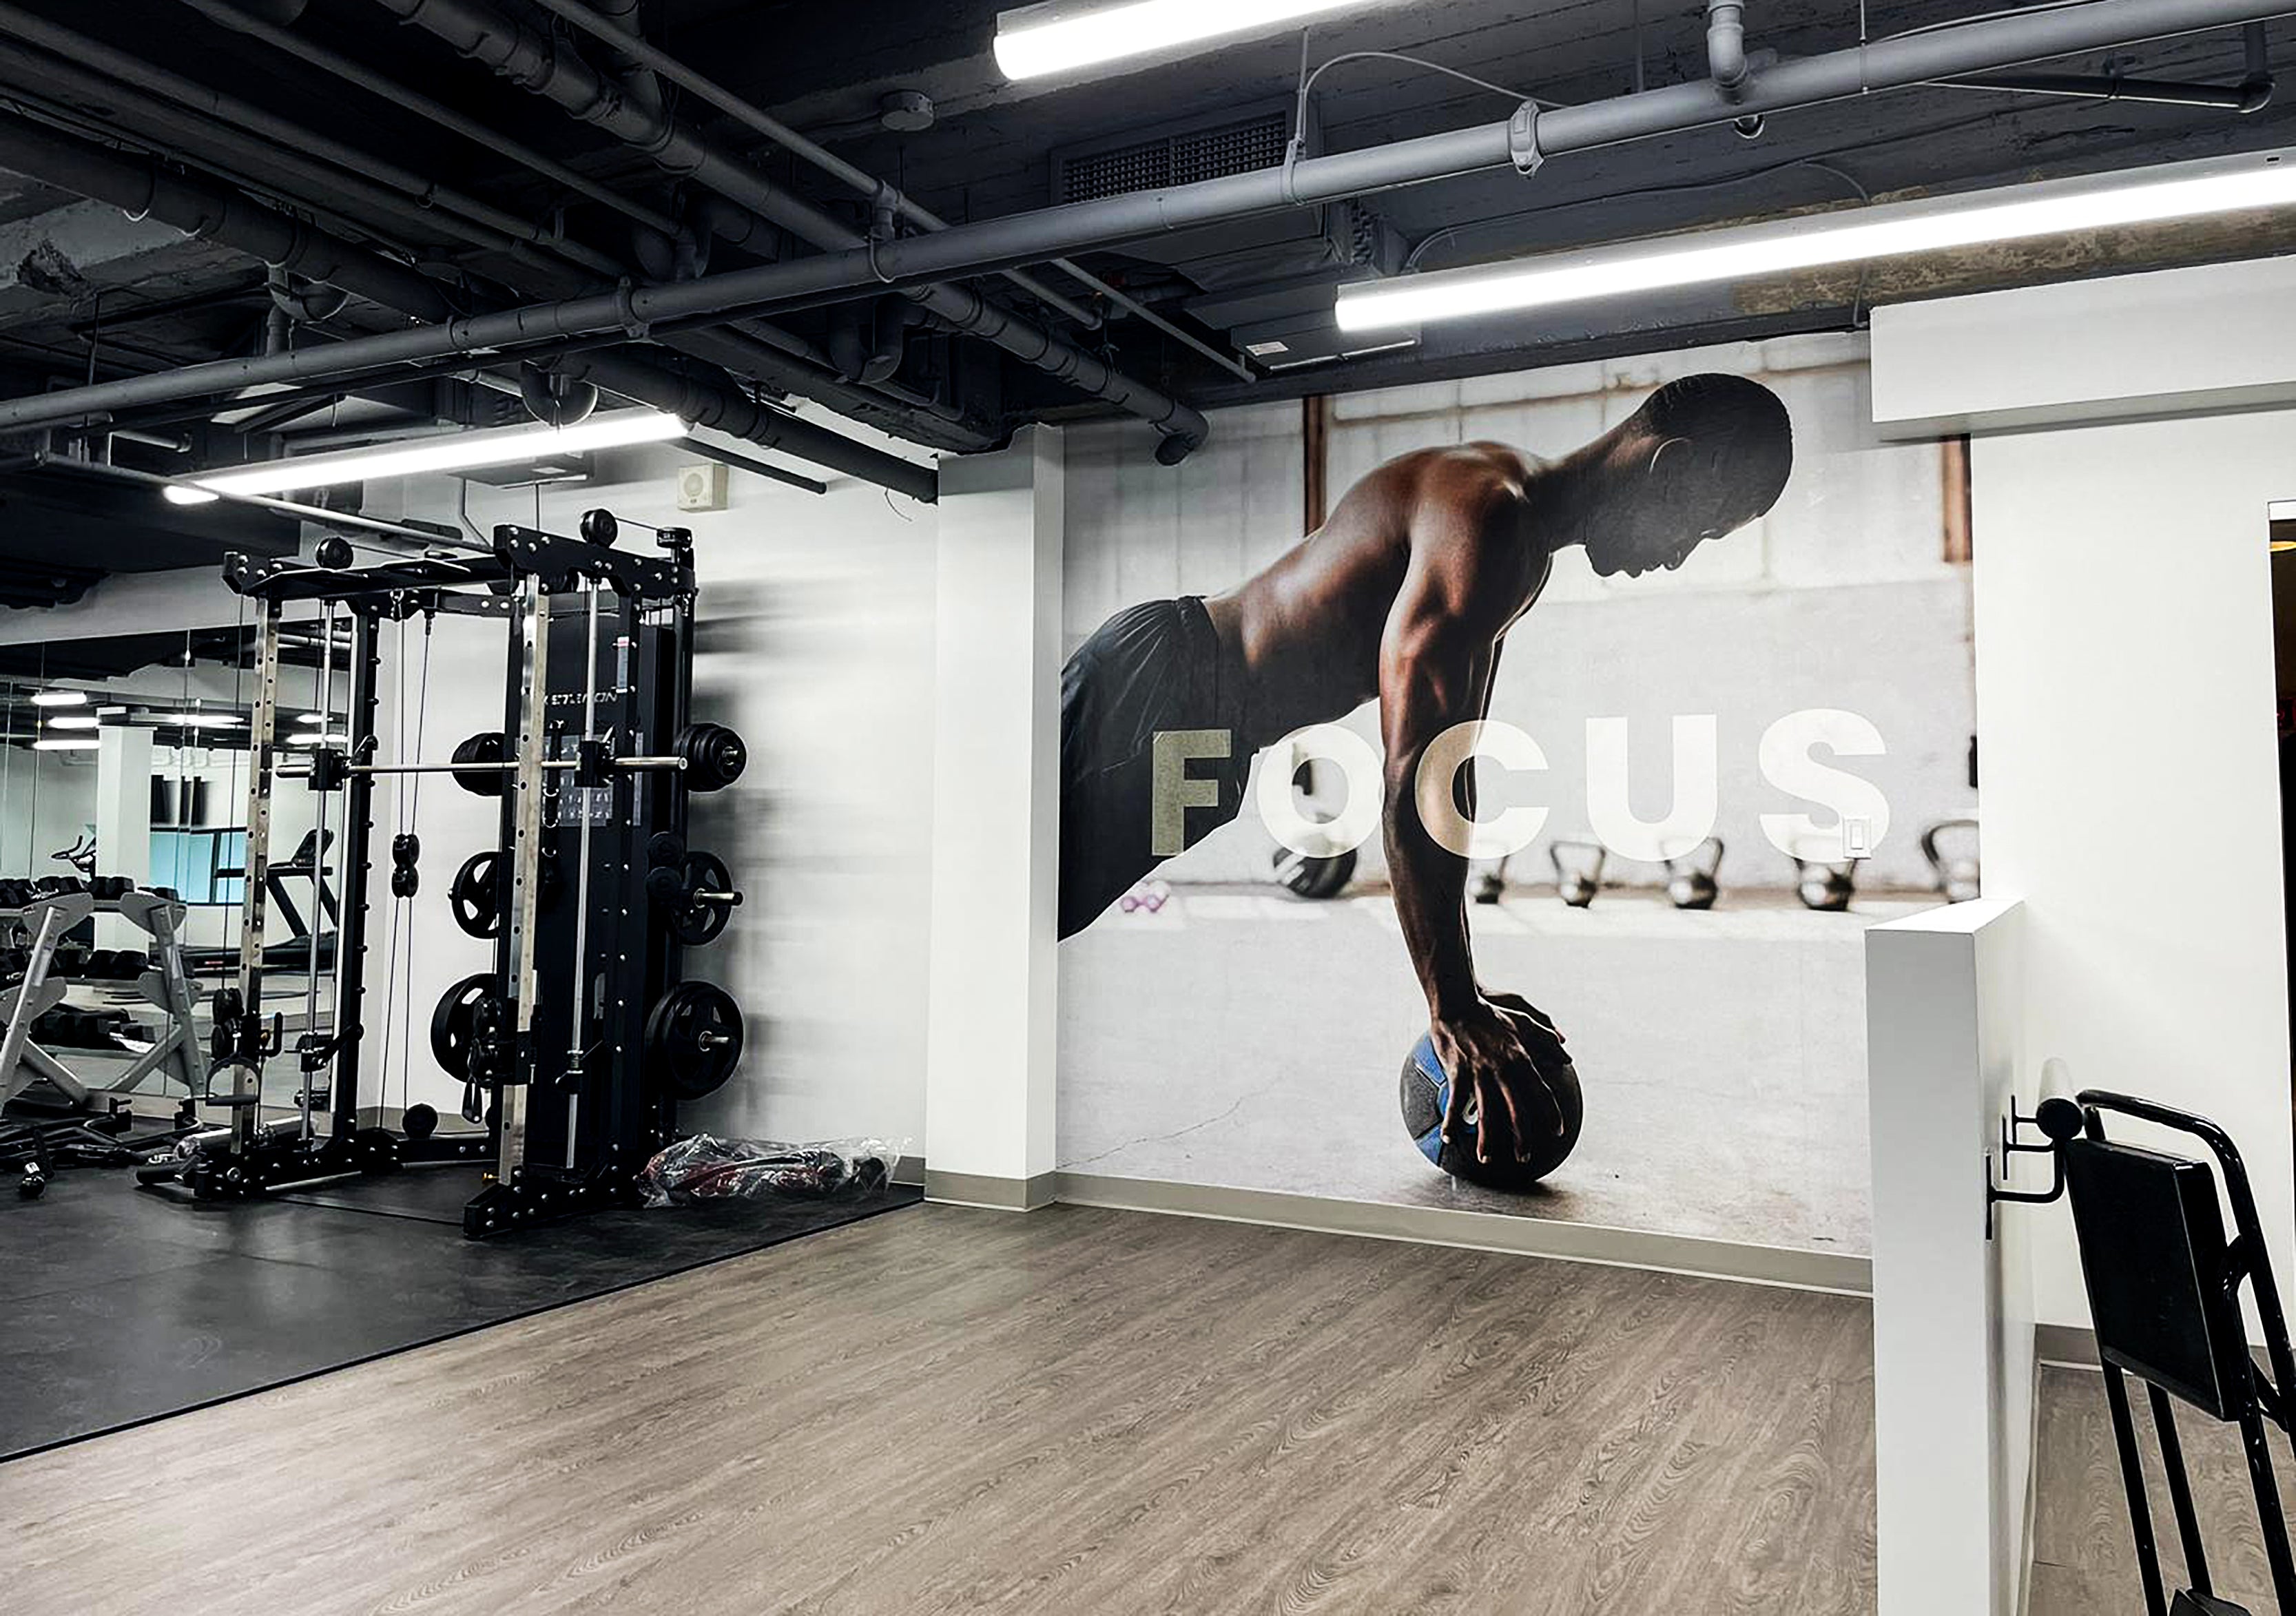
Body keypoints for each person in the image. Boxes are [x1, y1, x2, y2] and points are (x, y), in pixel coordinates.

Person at [1059, 373, 1795, 1166]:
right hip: (1165, 688)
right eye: (1701, 529)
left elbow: (1453, 772)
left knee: (1035, 912)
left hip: (1211, 735)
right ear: (1671, 467)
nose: (1680, 557)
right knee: (1006, 904)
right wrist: (1451, 1006)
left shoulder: (1521, 541)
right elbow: (1415, 779)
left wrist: (1466, 990)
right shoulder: (1490, 514)